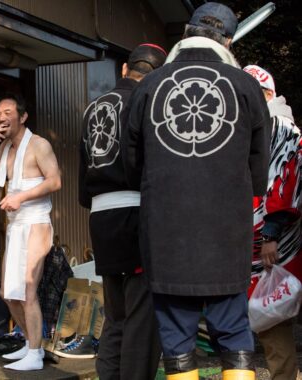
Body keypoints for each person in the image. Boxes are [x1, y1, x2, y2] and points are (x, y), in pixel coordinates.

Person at [121, 3, 271, 379]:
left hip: (166, 232)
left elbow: (131, 164)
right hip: (226, 233)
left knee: (176, 338)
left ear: (186, 32)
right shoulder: (247, 86)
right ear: (230, 40)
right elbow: (259, 169)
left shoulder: (149, 86)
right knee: (235, 331)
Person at [78, 43, 166, 379]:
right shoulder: (149, 102)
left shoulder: (92, 108)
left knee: (115, 314)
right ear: (156, 75)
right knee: (142, 318)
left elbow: (83, 172)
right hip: (137, 214)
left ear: (125, 70)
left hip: (101, 216)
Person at [0, 93, 61, 371]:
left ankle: (36, 354)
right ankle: (29, 342)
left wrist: (21, 197)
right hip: (15, 224)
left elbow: (55, 181)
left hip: (36, 221)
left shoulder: (39, 144)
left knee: (27, 289)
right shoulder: (6, 147)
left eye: (8, 112)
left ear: (22, 117)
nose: (2, 117)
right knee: (8, 292)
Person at [244, 65, 302, 380]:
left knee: (272, 321)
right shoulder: (260, 124)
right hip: (251, 240)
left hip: (271, 240)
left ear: (266, 93)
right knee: (257, 324)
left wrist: (271, 232)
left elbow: (285, 177)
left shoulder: (280, 124)